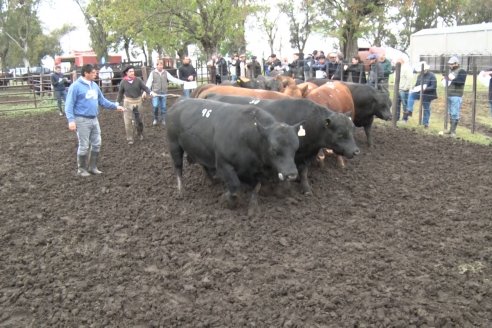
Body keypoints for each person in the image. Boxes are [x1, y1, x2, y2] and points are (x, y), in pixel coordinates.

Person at [64, 64, 124, 177]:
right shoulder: (75, 86)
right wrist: (71, 120)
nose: (95, 74)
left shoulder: (94, 85)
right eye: (93, 72)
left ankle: (92, 167)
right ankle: (81, 169)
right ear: (86, 73)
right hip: (81, 119)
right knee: (84, 145)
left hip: (94, 119)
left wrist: (115, 106)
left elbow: (102, 101)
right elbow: (69, 104)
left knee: (97, 143)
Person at [117, 65, 152, 145]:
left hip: (138, 101)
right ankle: (130, 138)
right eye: (130, 71)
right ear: (126, 73)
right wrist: (117, 103)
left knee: (140, 120)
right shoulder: (123, 82)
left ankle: (140, 133)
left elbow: (145, 88)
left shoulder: (138, 80)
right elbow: (120, 93)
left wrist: (150, 92)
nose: (132, 73)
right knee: (127, 121)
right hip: (128, 102)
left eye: (133, 71)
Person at [145, 58, 185, 126]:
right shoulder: (153, 73)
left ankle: (163, 119)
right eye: (159, 65)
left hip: (163, 92)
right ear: (156, 65)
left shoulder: (165, 72)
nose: (161, 67)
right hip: (155, 93)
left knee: (163, 107)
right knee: (155, 106)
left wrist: (183, 82)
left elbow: (173, 79)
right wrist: (146, 90)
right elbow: (149, 82)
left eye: (162, 65)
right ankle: (155, 118)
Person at [402, 61, 437, 128]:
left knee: (426, 108)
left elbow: (433, 86)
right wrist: (414, 88)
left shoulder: (432, 75)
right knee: (411, 95)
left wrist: (425, 88)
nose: (421, 72)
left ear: (425, 69)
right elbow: (417, 85)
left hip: (427, 94)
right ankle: (409, 110)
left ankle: (425, 123)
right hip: (419, 92)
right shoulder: (420, 76)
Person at [444, 56, 467, 137]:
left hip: (456, 95)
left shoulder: (462, 71)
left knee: (455, 113)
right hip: (449, 94)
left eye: (451, 64)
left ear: (456, 64)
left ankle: (453, 132)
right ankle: (450, 130)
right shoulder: (451, 72)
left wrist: (450, 79)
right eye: (449, 64)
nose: (450, 65)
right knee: (450, 112)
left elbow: (461, 82)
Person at [395, 56, 413, 121]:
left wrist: (405, 88)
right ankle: (396, 117)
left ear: (402, 61)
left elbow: (409, 78)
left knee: (405, 104)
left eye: (397, 61)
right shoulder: (399, 67)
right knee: (397, 104)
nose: (396, 62)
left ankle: (405, 119)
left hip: (403, 90)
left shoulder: (407, 68)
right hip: (398, 89)